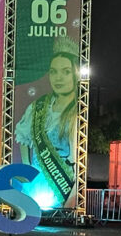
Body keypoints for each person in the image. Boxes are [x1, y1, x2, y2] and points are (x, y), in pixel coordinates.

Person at [16, 38, 79, 207]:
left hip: (63, 186)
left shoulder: (78, 112)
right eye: (53, 72)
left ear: (76, 74)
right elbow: (23, 137)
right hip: (36, 185)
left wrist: (73, 196)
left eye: (66, 72)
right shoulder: (38, 106)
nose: (59, 78)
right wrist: (27, 166)